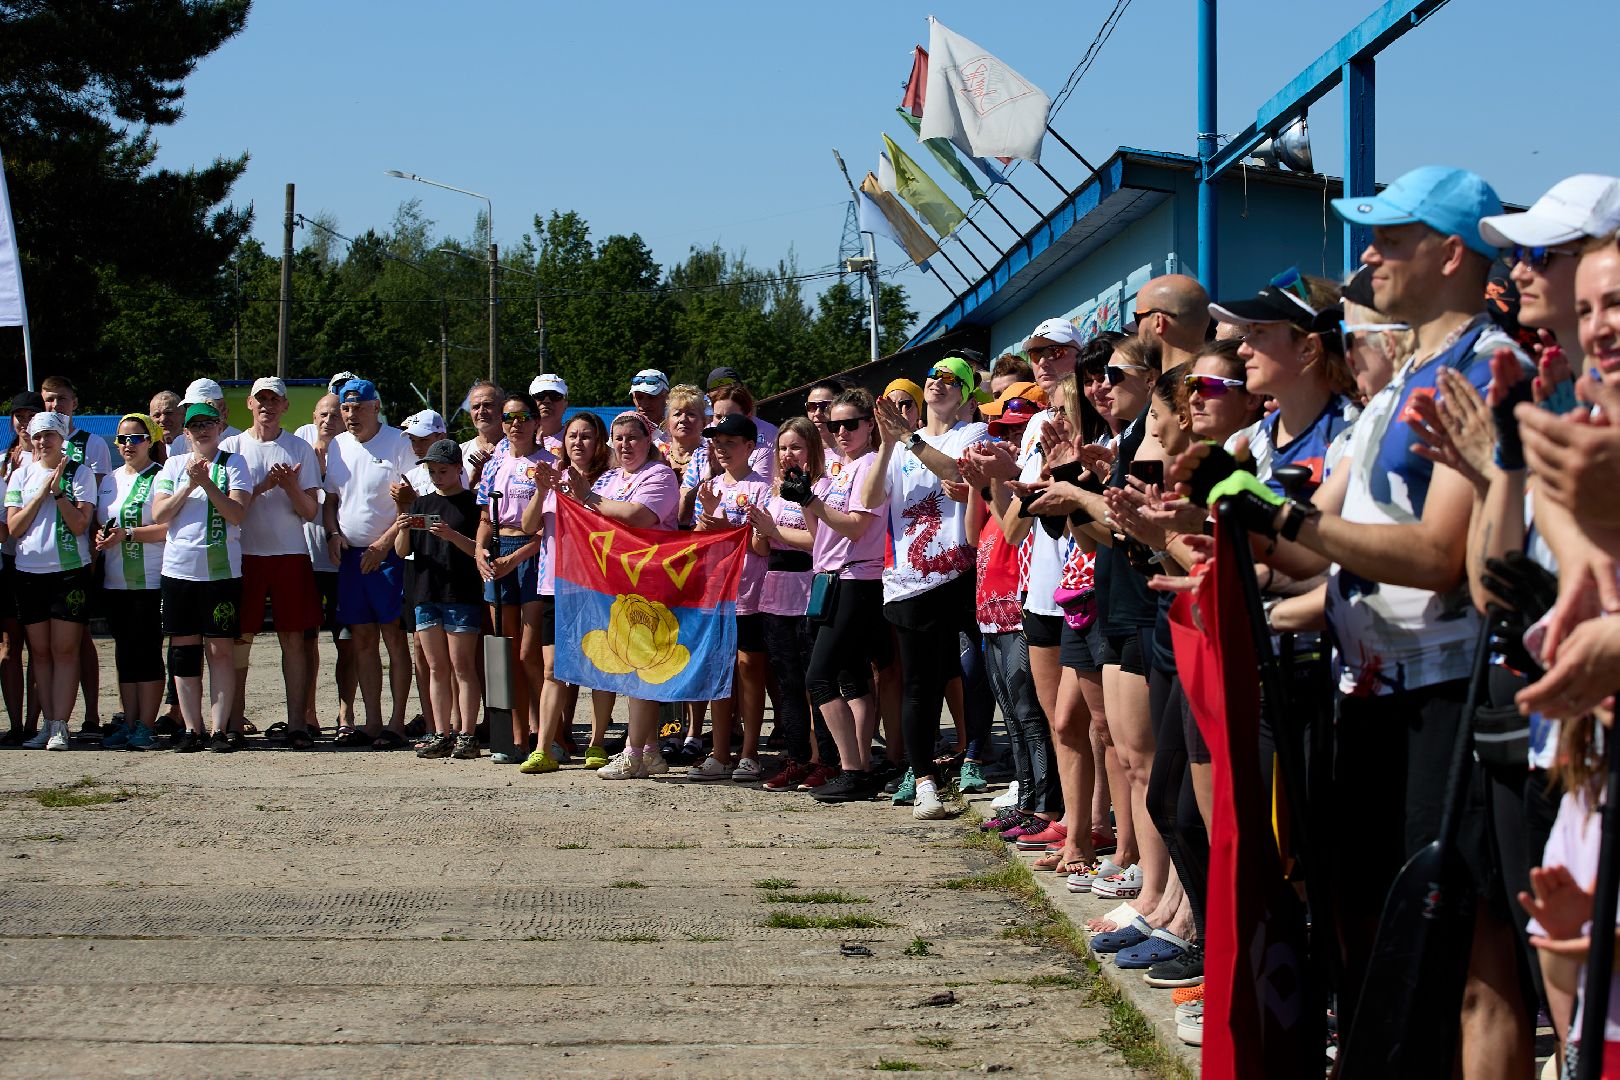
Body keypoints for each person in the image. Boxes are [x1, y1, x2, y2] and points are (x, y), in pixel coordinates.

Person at [1181, 165, 1533, 1068]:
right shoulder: (1398, 379)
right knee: (1367, 925)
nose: (1368, 255)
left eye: (1391, 238)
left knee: (1469, 958)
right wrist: (1221, 517)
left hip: (1448, 696)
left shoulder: (1488, 364)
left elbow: (1437, 555)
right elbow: (1311, 547)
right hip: (1370, 691)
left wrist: (1283, 517)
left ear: (1451, 253)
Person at [863, 357, 992, 819]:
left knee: (979, 676)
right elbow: (870, 499)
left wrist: (909, 440)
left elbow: (958, 473)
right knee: (920, 685)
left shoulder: (971, 434)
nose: (937, 384)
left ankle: (978, 756)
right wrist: (885, 445)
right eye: (932, 377)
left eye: (950, 379)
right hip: (910, 583)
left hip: (961, 573)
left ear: (966, 395)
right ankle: (923, 780)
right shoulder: (898, 445)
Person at [555, 411, 680, 780]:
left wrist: (588, 497)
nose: (625, 445)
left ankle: (632, 751)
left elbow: (638, 516)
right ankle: (651, 750)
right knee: (633, 668)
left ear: (648, 441)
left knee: (642, 669)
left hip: (651, 582)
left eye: (632, 438)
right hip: (618, 585)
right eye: (619, 438)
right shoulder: (610, 477)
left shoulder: (659, 475)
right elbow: (590, 520)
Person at [795, 388, 890, 802]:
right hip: (832, 578)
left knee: (820, 676)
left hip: (856, 580)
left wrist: (811, 499)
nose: (842, 431)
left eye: (851, 423)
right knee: (850, 676)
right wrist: (802, 499)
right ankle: (861, 765)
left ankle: (851, 767)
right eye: (835, 425)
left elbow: (855, 528)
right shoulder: (839, 469)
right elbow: (821, 537)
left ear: (871, 424)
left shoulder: (870, 465)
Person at [221, 377, 322, 747]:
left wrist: (291, 486)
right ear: (249, 404)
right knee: (239, 638)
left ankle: (297, 723)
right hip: (243, 554)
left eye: (274, 400)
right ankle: (233, 720)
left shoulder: (298, 447)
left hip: (289, 553)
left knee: (293, 638)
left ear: (284, 406)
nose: (266, 406)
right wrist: (263, 485)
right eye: (260, 400)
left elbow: (310, 511)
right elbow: (229, 508)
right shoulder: (231, 446)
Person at [150, 402, 251, 753]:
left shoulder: (235, 463)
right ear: (186, 433)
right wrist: (188, 486)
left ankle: (218, 729)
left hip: (221, 572)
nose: (203, 430)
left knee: (220, 649)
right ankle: (191, 728)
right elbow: (160, 513)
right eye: (195, 426)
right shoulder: (174, 465)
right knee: (184, 650)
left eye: (209, 423)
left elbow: (236, 514)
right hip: (179, 570)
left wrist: (207, 483)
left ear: (220, 427)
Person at [323, 378, 415, 750]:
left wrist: (383, 543)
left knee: (392, 636)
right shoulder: (338, 446)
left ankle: (396, 721)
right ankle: (372, 720)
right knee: (360, 638)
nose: (351, 415)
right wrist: (331, 533)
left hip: (389, 555)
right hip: (350, 556)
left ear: (375, 407)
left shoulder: (398, 442)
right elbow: (331, 499)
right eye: (345, 409)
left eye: (358, 408)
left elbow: (411, 500)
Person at [686, 412, 772, 782]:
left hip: (751, 592)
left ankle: (750, 752)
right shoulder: (708, 488)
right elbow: (697, 541)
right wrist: (706, 522)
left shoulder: (764, 488)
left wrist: (725, 528)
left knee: (749, 670)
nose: (721, 449)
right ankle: (719, 751)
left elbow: (763, 544)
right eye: (717, 443)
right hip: (716, 594)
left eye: (730, 443)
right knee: (719, 672)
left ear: (750, 447)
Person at [474, 392, 555, 770]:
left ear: (536, 422)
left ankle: (546, 735)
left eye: (523, 417)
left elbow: (548, 528)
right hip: (499, 551)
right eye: (508, 418)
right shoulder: (494, 463)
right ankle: (514, 735)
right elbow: (485, 519)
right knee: (502, 653)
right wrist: (480, 552)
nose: (515, 424)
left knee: (529, 654)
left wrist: (515, 557)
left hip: (532, 555)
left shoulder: (548, 463)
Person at [6, 412, 95, 751]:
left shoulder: (80, 473)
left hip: (69, 571)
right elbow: (14, 529)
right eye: (38, 436)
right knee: (40, 653)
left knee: (65, 650)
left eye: (50, 436)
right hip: (30, 573)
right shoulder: (21, 475)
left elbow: (79, 526)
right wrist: (42, 490)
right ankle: (47, 724)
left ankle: (61, 724)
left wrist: (59, 494)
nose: (44, 442)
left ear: (62, 439)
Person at [530, 411, 614, 768]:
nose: (578, 442)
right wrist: (541, 491)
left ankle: (596, 744)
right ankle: (544, 747)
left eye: (586, 436)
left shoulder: (610, 481)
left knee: (600, 664)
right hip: (553, 584)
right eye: (572, 436)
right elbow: (528, 524)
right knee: (552, 669)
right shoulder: (554, 477)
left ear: (598, 444)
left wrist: (585, 496)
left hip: (594, 584)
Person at [750, 418, 827, 791]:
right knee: (787, 682)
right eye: (782, 448)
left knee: (816, 680)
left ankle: (824, 759)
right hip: (776, 590)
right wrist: (760, 533)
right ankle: (797, 757)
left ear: (811, 449)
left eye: (795, 447)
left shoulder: (821, 489)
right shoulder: (773, 491)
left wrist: (774, 531)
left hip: (810, 587)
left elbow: (818, 541)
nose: (788, 454)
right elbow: (760, 548)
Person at [396, 439, 484, 762]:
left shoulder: (473, 504)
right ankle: (441, 732)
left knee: (462, 667)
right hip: (427, 592)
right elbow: (402, 551)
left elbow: (480, 548)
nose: (436, 476)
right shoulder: (421, 504)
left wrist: (450, 535)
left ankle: (467, 734)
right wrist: (404, 524)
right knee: (436, 667)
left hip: (461, 593)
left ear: (459, 470)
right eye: (432, 471)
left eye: (443, 471)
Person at [40, 374, 112, 735]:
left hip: (81, 551)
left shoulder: (91, 443)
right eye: (49, 399)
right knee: (42, 643)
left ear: (75, 403)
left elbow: (96, 498)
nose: (56, 406)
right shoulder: (33, 443)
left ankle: (91, 714)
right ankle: (43, 721)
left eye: (62, 399)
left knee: (80, 637)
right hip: (35, 558)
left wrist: (96, 549)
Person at [93, 413, 168, 751]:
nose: (127, 445)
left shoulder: (160, 478)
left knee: (147, 652)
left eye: (135, 438)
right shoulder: (109, 479)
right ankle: (131, 719)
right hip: (115, 579)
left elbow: (169, 529)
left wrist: (129, 534)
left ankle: (147, 725)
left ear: (149, 441)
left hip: (150, 580)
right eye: (121, 439)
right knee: (125, 653)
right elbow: (104, 522)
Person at [295, 393, 350, 735]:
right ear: (313, 417)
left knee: (346, 641)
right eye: (323, 414)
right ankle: (308, 713)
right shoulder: (301, 450)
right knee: (305, 641)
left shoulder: (349, 452)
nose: (329, 420)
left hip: (342, 560)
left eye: (336, 414)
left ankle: (346, 715)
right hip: (307, 558)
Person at [0, 390, 43, 742]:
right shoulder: (3, 461)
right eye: (19, 415)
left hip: (41, 563)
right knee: (9, 645)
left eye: (32, 414)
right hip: (9, 561)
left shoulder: (55, 458)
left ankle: (35, 724)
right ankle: (15, 725)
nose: (25, 421)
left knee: (38, 645)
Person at [170, 378, 242, 454]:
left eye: (203, 406)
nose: (196, 411)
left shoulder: (238, 440)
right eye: (190, 406)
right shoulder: (179, 442)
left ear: (220, 406)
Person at [461, 379, 506, 492]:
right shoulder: (460, 452)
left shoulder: (518, 449)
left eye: (487, 405)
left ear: (502, 408)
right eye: (476, 407)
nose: (481, 411)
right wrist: (473, 479)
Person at [629, 369, 672, 451]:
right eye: (639, 397)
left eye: (652, 397)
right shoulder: (625, 430)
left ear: (666, 397)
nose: (645, 404)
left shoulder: (680, 429)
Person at [530, 373, 568, 455]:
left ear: (565, 404)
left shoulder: (576, 440)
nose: (547, 400)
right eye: (540, 395)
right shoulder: (518, 438)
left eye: (554, 396)